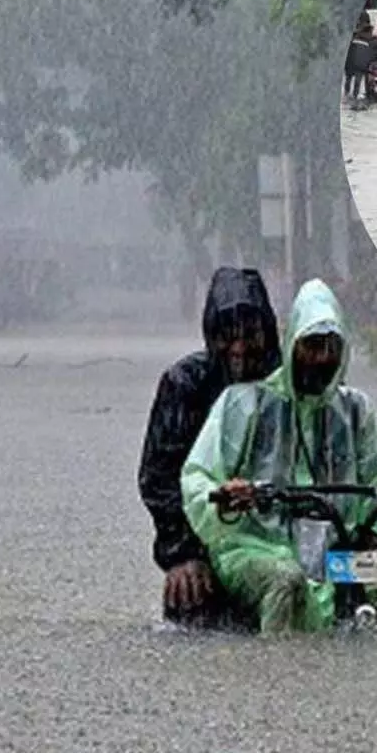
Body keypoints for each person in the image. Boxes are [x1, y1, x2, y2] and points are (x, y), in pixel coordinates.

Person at [179, 279, 377, 634]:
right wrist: (227, 498)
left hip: (336, 557)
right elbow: (198, 477)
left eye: (331, 346)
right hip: (257, 547)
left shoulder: (356, 411)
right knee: (286, 583)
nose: (322, 357)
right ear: (293, 344)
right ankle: (281, 678)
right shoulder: (243, 403)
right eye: (312, 345)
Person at [139, 266, 283, 628]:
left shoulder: (290, 383)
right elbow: (159, 478)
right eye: (226, 336)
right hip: (206, 540)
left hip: (287, 536)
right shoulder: (185, 384)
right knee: (192, 596)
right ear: (209, 335)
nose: (240, 349)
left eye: (250, 335)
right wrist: (182, 553)